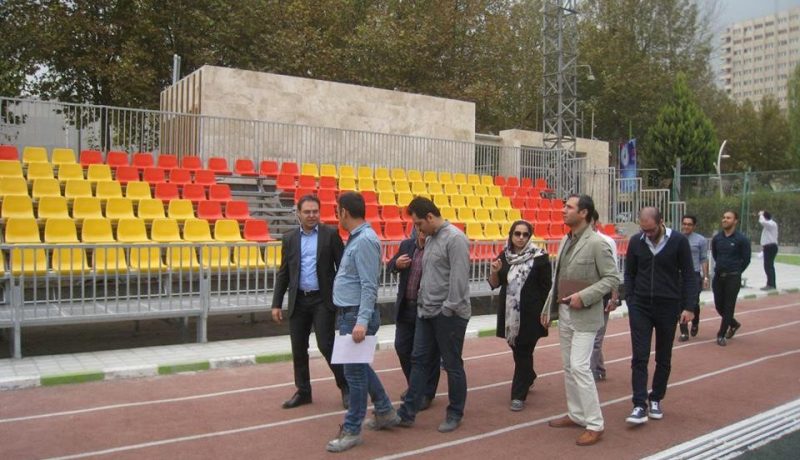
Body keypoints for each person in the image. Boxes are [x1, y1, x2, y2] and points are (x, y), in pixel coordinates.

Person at [541, 194, 619, 447]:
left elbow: (611, 279)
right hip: (564, 314)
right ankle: (576, 414)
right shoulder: (565, 240)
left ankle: (595, 424)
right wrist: (547, 308)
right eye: (564, 206)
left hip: (585, 315)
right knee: (568, 366)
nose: (563, 210)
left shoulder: (598, 243)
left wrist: (583, 297)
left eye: (569, 207)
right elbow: (558, 278)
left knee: (580, 366)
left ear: (584, 213)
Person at [326, 192, 399, 453]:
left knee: (354, 375)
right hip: (350, 314)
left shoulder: (365, 240)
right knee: (359, 369)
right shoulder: (358, 238)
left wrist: (361, 321)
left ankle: (352, 429)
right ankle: (385, 410)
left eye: (338, 211)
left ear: (344, 212)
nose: (337, 216)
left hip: (356, 316)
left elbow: (370, 285)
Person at [397, 196, 471, 434]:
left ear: (430, 217)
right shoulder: (429, 239)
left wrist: (447, 310)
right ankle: (407, 413)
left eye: (419, 224)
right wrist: (422, 302)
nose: (417, 229)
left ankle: (455, 413)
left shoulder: (456, 239)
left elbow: (459, 281)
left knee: (452, 364)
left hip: (449, 314)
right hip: (425, 311)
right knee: (418, 360)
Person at [271, 194, 348, 410]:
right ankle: (303, 391)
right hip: (299, 301)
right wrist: (276, 303)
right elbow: (284, 273)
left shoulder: (330, 234)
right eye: (307, 212)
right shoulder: (289, 239)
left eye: (315, 211)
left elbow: (342, 267)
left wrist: (341, 297)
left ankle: (346, 386)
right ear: (298, 214)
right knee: (298, 348)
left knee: (326, 345)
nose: (312, 215)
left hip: (322, 300)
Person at [623, 207, 697, 425]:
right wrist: (631, 299)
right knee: (639, 356)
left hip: (668, 306)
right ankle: (639, 404)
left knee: (663, 356)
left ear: (661, 222)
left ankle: (656, 398)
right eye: (643, 229)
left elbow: (689, 275)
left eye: (651, 229)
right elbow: (629, 272)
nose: (648, 234)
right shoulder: (637, 241)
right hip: (641, 306)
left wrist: (689, 306)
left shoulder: (679, 242)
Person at [488, 220, 551, 412]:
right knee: (516, 348)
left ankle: (518, 395)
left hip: (531, 314)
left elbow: (546, 288)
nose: (521, 237)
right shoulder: (504, 256)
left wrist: (547, 312)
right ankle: (529, 375)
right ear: (511, 235)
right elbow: (494, 284)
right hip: (509, 314)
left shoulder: (540, 257)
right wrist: (494, 272)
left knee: (524, 351)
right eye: (517, 233)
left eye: (525, 234)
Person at [387, 228, 440, 411]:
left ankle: (426, 392)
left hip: (426, 309)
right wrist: (396, 264)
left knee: (425, 353)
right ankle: (415, 386)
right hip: (406, 307)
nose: (423, 232)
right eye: (420, 228)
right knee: (401, 347)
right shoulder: (406, 245)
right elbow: (390, 265)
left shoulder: (437, 248)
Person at [711, 210, 751, 347]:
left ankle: (721, 334)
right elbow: (715, 255)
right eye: (723, 217)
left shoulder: (742, 239)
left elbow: (746, 259)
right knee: (718, 305)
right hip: (718, 276)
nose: (725, 220)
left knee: (728, 306)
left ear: (735, 221)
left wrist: (736, 271)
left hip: (733, 277)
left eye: (728, 218)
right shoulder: (717, 238)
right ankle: (733, 324)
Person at [589, 212, 621, 382]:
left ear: (596, 222)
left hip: (602, 294)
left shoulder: (607, 242)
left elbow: (613, 271)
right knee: (588, 336)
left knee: (596, 337)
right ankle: (599, 368)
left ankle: (591, 372)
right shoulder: (574, 241)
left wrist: (614, 297)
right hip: (583, 295)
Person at [678, 215, 709, 341]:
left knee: (693, 302)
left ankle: (695, 322)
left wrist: (706, 277)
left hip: (694, 275)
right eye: (684, 223)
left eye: (689, 224)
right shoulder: (677, 239)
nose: (686, 226)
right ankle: (684, 331)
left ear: (694, 226)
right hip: (679, 275)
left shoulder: (700, 240)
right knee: (679, 303)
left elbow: (704, 258)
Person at [758, 210, 778, 290]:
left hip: (771, 247)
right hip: (768, 247)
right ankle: (770, 283)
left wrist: (761, 214)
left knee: (768, 266)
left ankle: (771, 284)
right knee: (768, 266)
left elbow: (762, 222)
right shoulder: (769, 225)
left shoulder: (771, 224)